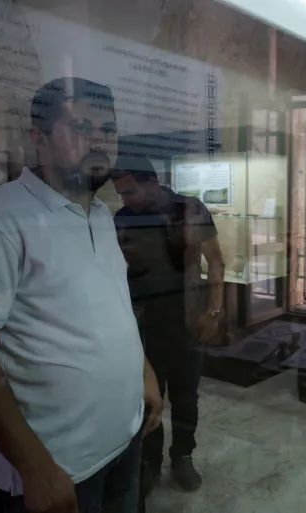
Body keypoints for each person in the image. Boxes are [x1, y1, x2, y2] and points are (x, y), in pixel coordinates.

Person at [0, 77, 163, 513]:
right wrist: (34, 466)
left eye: (108, 130)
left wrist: (145, 373)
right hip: (56, 466)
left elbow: (114, 309)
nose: (99, 142)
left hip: (124, 438)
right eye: (81, 128)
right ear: (38, 138)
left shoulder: (100, 213)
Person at [111, 157, 224, 492]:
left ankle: (182, 456)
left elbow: (216, 262)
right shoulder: (123, 219)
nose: (125, 199)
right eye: (120, 193)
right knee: (148, 397)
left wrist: (213, 313)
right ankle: (150, 461)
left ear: (151, 183)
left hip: (187, 320)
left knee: (186, 397)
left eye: (129, 191)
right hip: (144, 325)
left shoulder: (189, 209)